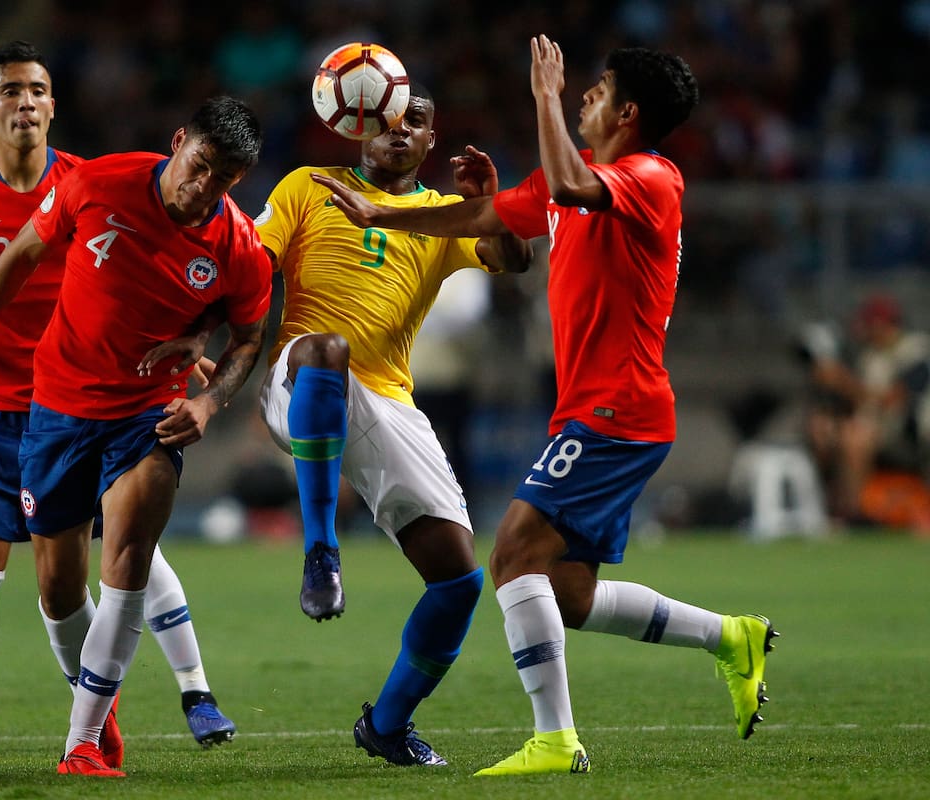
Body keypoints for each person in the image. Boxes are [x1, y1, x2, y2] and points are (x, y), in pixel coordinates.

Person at [313, 37, 776, 776]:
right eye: (578, 89)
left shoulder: (651, 177)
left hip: (616, 410)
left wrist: (543, 96)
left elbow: (562, 187)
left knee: (511, 556)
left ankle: (555, 739)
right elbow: (484, 220)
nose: (582, 95)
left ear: (626, 112)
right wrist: (380, 215)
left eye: (597, 90)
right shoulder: (580, 180)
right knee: (563, 590)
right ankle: (730, 638)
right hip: (598, 412)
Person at [0, 42, 239, 759]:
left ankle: (187, 692)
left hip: (89, 402)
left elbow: (172, 268)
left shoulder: (93, 180)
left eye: (38, 89)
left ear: (53, 105)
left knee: (134, 543)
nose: (26, 102)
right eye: (10, 91)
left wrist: (191, 338)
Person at [0, 93, 271, 777]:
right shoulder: (98, 182)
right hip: (56, 408)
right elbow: (22, 255)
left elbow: (248, 341)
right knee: (59, 589)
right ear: (178, 141)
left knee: (128, 560)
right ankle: (102, 711)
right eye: (200, 166)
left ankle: (82, 742)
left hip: (148, 414)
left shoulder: (239, 248)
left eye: (224, 179)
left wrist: (207, 405)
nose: (204, 187)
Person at [252, 82, 533, 765]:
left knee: (459, 583)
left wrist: (484, 208)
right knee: (328, 348)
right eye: (389, 119)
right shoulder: (305, 186)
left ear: (433, 140)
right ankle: (321, 550)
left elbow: (514, 261)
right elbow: (250, 265)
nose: (401, 131)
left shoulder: (441, 215)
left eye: (418, 122)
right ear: (359, 124)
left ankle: (385, 724)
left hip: (387, 400)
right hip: (301, 376)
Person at [803, 293, 930, 530]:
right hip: (876, 428)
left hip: (909, 430)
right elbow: (857, 404)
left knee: (856, 437)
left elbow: (893, 399)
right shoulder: (870, 356)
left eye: (871, 324)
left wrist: (843, 382)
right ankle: (833, 509)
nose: (867, 331)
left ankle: (857, 513)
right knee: (824, 428)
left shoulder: (917, 350)